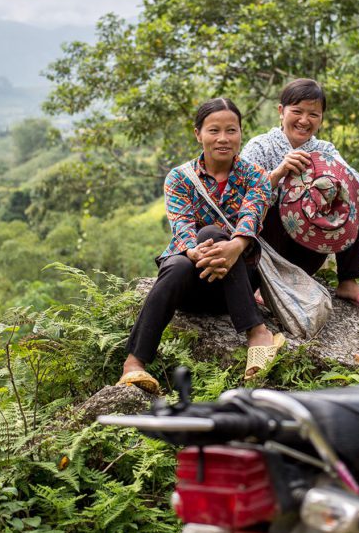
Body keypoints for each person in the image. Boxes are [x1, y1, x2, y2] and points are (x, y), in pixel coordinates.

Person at [118, 97, 285, 393]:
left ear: (240, 134)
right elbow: (181, 227)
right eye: (214, 130)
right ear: (198, 134)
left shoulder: (256, 176)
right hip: (191, 283)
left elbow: (252, 214)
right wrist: (195, 251)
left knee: (211, 231)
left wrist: (234, 247)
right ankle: (134, 365)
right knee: (179, 262)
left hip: (237, 287)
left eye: (231, 130)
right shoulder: (180, 179)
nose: (223, 138)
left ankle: (257, 334)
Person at [241, 78, 359, 314]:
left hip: (308, 249)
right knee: (277, 200)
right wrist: (279, 174)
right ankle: (266, 284)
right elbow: (240, 199)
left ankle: (349, 281)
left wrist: (331, 180)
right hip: (263, 251)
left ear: (321, 118)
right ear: (281, 111)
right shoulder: (260, 146)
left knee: (345, 196)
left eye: (313, 114)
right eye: (297, 111)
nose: (304, 120)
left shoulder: (325, 150)